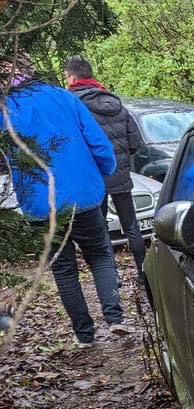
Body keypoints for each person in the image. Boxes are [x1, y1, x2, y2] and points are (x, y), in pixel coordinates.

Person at [2, 57, 130, 348]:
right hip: (83, 194)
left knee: (63, 268)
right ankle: (115, 319)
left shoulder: (5, 111)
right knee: (99, 255)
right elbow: (98, 143)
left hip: (40, 204)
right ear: (32, 72)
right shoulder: (62, 97)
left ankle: (84, 335)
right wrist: (104, 171)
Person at [64, 56, 146, 281]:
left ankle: (111, 279)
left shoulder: (70, 105)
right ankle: (143, 273)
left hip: (93, 179)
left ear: (72, 77)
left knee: (100, 232)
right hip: (119, 174)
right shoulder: (115, 102)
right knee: (132, 227)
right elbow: (135, 143)